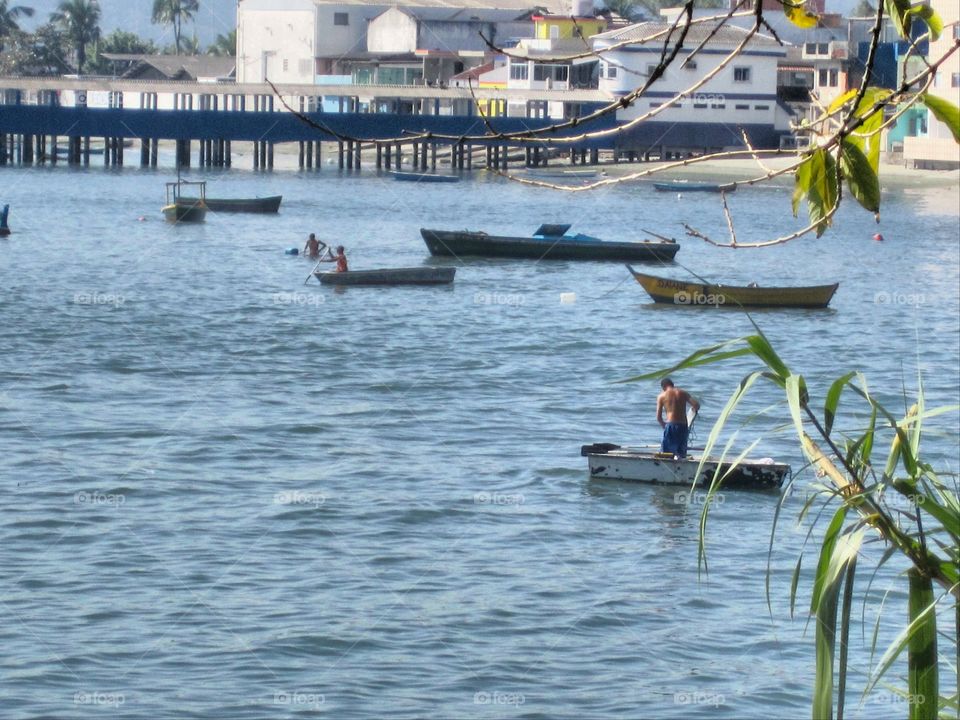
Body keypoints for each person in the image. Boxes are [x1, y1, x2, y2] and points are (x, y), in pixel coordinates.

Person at [656, 378, 700, 458]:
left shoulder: (661, 396)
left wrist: (664, 426)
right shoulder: (683, 393)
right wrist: (693, 410)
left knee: (667, 453)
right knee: (681, 453)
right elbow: (696, 405)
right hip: (683, 426)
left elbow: (659, 417)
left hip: (671, 425)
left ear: (663, 387)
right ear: (672, 384)